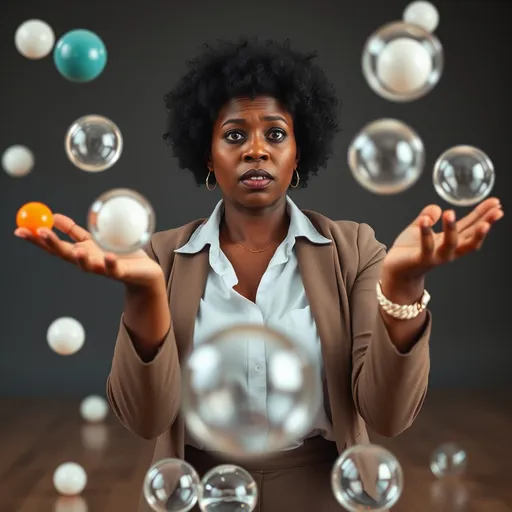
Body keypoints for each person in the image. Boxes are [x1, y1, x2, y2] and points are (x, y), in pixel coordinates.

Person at [14, 37, 503, 512]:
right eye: (233, 135)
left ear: (298, 152)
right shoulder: (157, 258)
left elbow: (388, 417)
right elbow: (146, 421)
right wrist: (143, 294)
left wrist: (403, 286)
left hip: (327, 491)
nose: (255, 151)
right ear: (207, 155)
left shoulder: (355, 250)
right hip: (196, 492)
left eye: (275, 134)